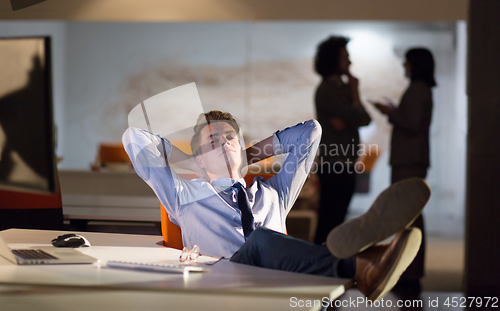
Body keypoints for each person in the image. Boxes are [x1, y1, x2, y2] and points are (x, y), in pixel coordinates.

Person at [123, 110, 429, 301]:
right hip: (220, 287)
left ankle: (366, 259)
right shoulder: (183, 195)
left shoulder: (273, 194)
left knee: (266, 243)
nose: (224, 142)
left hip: (279, 283)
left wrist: (249, 155)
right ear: (199, 158)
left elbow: (311, 132)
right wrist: (191, 161)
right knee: (259, 241)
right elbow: (133, 138)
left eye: (230, 137)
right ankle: (359, 264)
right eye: (212, 141)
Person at [373, 48, 436, 302]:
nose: (404, 66)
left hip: (409, 159)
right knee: (409, 217)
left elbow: (412, 124)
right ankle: (409, 274)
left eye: (407, 62)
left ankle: (411, 275)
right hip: (410, 159)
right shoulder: (421, 89)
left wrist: (390, 113)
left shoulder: (419, 89)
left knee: (409, 217)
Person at [313, 36, 371, 245]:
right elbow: (357, 117)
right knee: (330, 221)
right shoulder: (328, 90)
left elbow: (365, 119)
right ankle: (319, 267)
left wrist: (350, 119)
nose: (350, 62)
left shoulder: (341, 88)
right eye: (345, 57)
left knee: (338, 220)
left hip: (345, 161)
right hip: (334, 163)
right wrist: (355, 95)